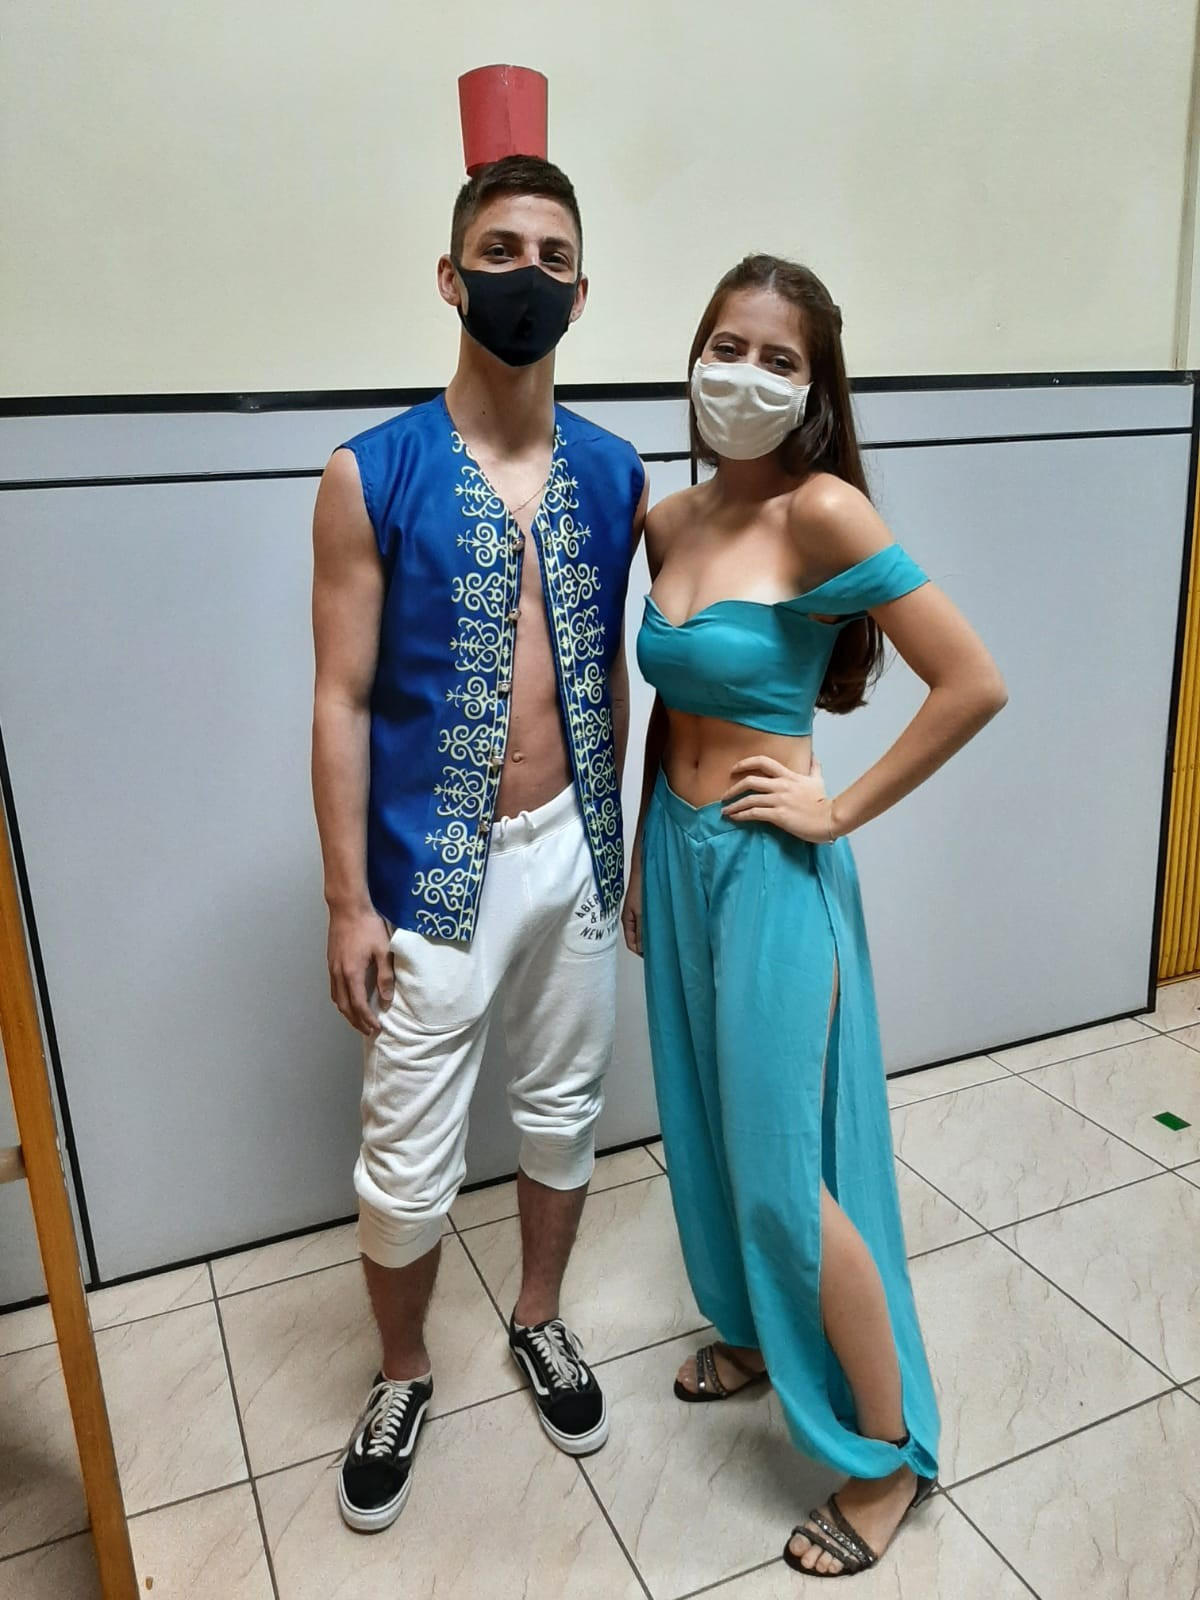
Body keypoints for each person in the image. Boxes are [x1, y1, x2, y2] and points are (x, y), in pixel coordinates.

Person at [623, 254, 1007, 1578]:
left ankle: (886, 1458)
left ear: (815, 387)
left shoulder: (823, 513)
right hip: (677, 859)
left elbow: (971, 681)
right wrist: (641, 857)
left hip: (769, 869)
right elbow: (671, 704)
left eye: (779, 360)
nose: (746, 375)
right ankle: (749, 1333)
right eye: (728, 347)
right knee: (705, 1125)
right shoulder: (670, 522)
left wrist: (837, 811)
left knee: (787, 1170)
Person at [311, 153, 647, 1533]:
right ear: (451, 279)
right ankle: (401, 1371)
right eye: (501, 251)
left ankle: (539, 1317)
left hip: (577, 847)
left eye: (553, 256)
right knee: (405, 1161)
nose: (528, 276)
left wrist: (627, 844)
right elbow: (339, 698)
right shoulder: (369, 473)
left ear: (583, 289)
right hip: (428, 867)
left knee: (564, 1110)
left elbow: (624, 670)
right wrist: (346, 901)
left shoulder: (618, 475)